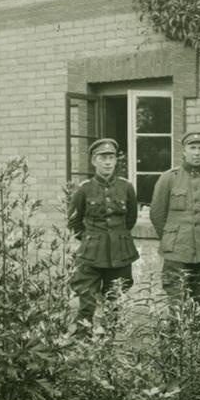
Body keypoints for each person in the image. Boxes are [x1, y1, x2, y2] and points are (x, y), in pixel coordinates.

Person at [69, 138, 139, 334]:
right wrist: (91, 239)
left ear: (116, 161)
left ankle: (108, 345)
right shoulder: (84, 189)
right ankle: (82, 342)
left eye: (111, 158)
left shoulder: (126, 187)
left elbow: (130, 219)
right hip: (91, 254)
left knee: (114, 302)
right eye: (103, 158)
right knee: (86, 301)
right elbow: (74, 222)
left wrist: (117, 238)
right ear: (94, 161)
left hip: (120, 253)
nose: (108, 162)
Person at [150, 132, 200, 304]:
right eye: (192, 148)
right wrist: (171, 238)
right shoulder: (169, 178)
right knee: (177, 300)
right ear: (184, 150)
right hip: (176, 251)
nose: (197, 152)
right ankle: (177, 331)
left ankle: (197, 330)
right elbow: (157, 214)